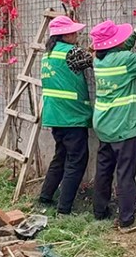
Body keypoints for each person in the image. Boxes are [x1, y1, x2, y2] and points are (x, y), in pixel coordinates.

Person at [89, 20, 136, 230]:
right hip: (122, 126)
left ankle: (100, 212)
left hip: (103, 124)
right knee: (125, 174)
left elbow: (119, 51)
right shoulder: (125, 60)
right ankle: (126, 219)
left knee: (104, 170)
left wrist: (135, 33)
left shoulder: (98, 61)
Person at [38, 16, 94, 214]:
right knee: (76, 161)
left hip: (54, 116)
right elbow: (97, 60)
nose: (77, 35)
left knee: (61, 156)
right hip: (72, 116)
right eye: (73, 32)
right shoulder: (72, 52)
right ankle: (64, 208)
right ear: (65, 35)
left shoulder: (48, 54)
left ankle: (45, 196)